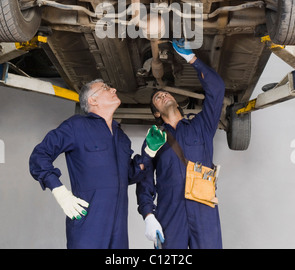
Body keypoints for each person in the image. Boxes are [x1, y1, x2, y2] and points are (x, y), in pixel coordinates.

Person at [29, 78, 148, 249]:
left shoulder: (122, 138)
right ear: (92, 100)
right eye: (106, 88)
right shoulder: (76, 126)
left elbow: (128, 174)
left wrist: (149, 153)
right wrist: (59, 191)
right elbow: (39, 155)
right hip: (88, 226)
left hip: (119, 231)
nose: (114, 89)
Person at [136, 39, 225, 249]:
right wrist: (148, 215)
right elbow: (144, 180)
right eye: (158, 97)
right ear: (156, 113)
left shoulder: (202, 126)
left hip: (203, 208)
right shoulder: (155, 139)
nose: (163, 95)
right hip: (170, 212)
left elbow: (217, 89)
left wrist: (191, 58)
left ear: (177, 102)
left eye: (166, 93)